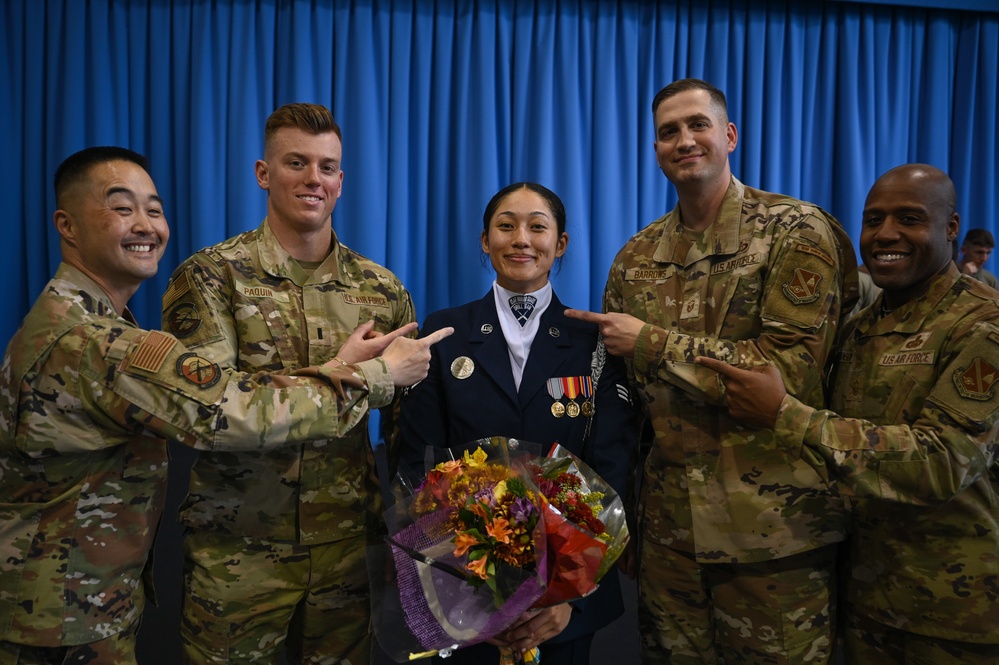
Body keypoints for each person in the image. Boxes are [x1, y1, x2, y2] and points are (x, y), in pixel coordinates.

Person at [0, 146, 450, 664]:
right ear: (68, 225)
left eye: (154, 208)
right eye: (122, 209)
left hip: (75, 602)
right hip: (64, 613)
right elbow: (226, 410)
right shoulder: (93, 343)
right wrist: (374, 376)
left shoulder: (88, 325)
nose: (146, 225)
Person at [565, 78, 859, 663]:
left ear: (728, 135)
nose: (684, 140)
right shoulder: (637, 256)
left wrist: (651, 342)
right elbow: (627, 406)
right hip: (670, 536)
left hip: (774, 534)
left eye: (698, 125)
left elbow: (787, 375)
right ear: (655, 151)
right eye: (668, 132)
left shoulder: (795, 232)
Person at [698, 164, 999, 663]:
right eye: (873, 219)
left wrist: (784, 414)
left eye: (909, 219)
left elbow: (943, 461)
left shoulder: (982, 328)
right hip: (866, 604)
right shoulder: (859, 328)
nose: (885, 235)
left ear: (951, 228)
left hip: (955, 619)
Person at [162, 103, 418, 663]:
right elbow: (211, 413)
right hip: (239, 548)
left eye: (327, 167)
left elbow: (407, 427)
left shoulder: (381, 289)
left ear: (342, 180)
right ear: (263, 173)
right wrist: (356, 376)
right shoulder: (211, 276)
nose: (313, 179)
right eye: (296, 163)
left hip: (348, 549)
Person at [398, 182, 638, 665]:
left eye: (537, 226)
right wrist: (470, 590)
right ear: (485, 241)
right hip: (465, 593)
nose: (521, 239)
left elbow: (613, 468)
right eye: (505, 226)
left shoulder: (594, 341)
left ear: (561, 243)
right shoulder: (444, 334)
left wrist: (568, 597)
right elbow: (417, 462)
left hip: (567, 607)